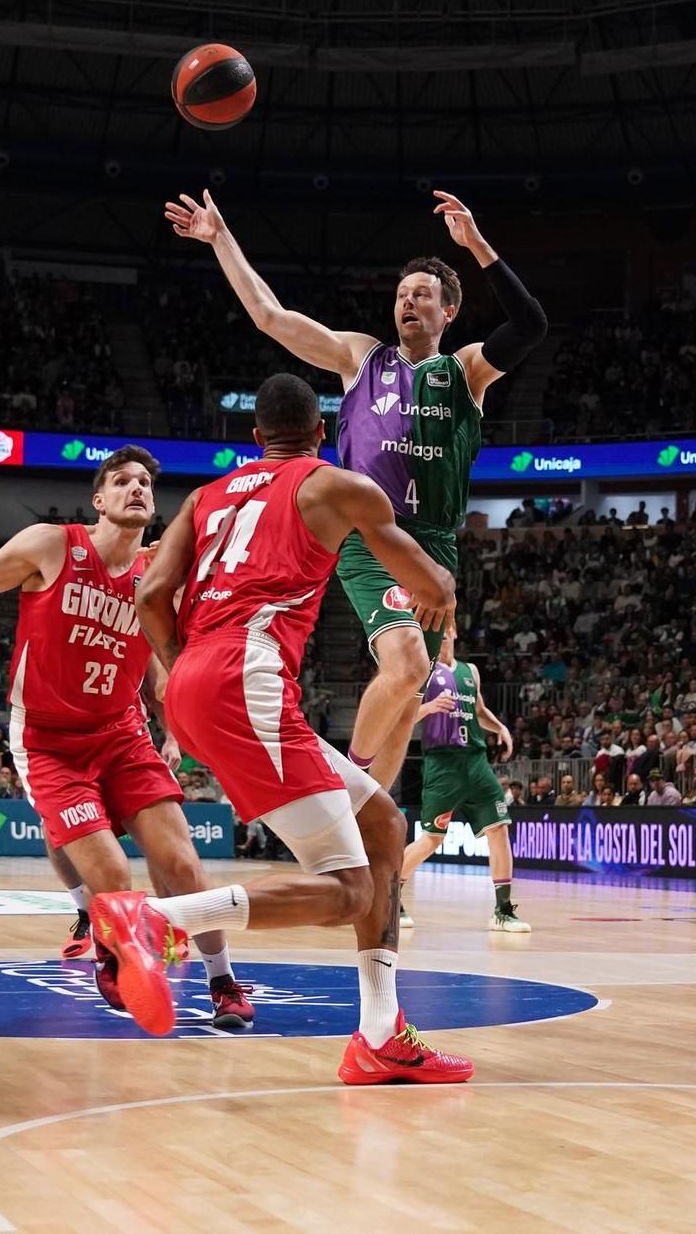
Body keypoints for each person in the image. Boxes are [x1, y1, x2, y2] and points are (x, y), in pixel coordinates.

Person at [114, 373, 471, 1083]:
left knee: (384, 832)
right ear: (321, 435)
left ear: (254, 439)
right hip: (245, 677)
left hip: (195, 678)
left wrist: (185, 668)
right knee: (347, 891)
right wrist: (438, 588)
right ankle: (155, 921)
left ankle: (380, 1034)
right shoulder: (333, 484)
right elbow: (432, 584)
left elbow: (152, 593)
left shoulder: (205, 497)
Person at [165, 187, 546, 795]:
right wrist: (220, 238)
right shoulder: (361, 358)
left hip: (435, 548)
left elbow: (530, 324)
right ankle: (345, 789)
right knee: (408, 666)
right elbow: (270, 316)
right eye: (401, 294)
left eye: (422, 294)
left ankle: (377, 832)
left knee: (409, 692)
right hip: (373, 537)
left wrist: (474, 242)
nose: (407, 302)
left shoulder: (466, 371)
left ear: (448, 310)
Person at [0, 447, 256, 1029]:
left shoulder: (159, 575)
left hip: (123, 735)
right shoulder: (51, 545)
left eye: (145, 482)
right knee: (115, 879)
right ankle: (107, 945)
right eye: (122, 481)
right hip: (49, 740)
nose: (136, 488)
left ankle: (221, 979)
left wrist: (172, 730)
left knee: (182, 865)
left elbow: (159, 666)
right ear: (99, 500)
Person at [395, 627, 525, 933]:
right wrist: (427, 707)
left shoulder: (471, 671)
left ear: (453, 632)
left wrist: (500, 728)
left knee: (499, 829)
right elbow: (400, 715)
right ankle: (389, 897)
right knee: (431, 839)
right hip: (443, 764)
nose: (441, 634)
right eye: (435, 629)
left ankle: (503, 910)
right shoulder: (421, 670)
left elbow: (478, 710)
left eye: (446, 628)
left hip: (476, 761)